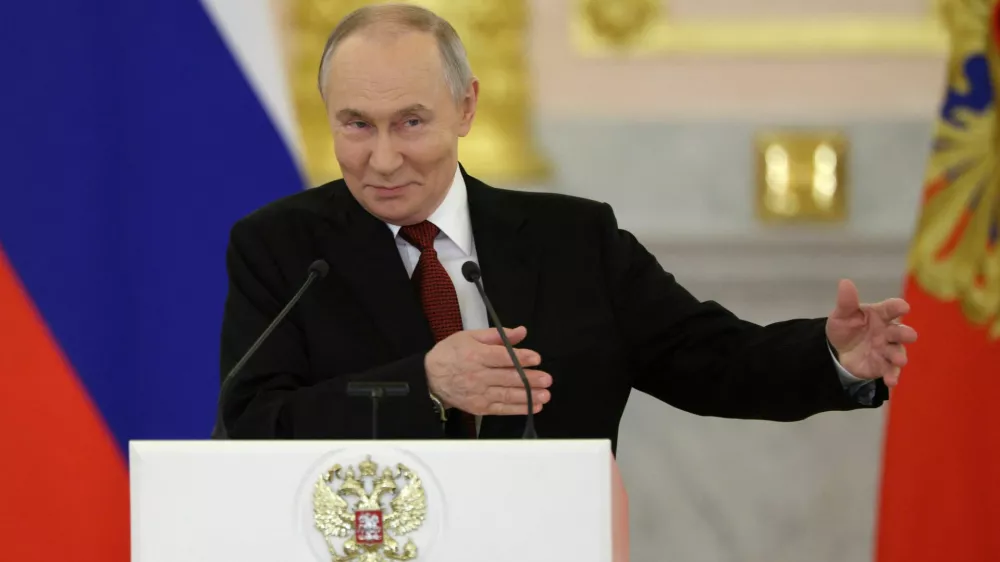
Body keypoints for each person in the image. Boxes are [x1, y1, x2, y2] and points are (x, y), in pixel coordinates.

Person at [216, 4, 916, 451]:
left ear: (465, 109)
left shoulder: (574, 241)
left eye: (411, 122)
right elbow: (250, 426)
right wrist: (424, 382)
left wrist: (830, 358)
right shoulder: (282, 249)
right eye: (356, 126)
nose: (383, 157)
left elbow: (716, 361)